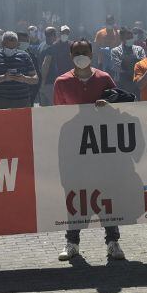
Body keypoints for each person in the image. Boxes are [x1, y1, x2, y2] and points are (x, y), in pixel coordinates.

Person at [53, 38, 127, 261]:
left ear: (92, 54)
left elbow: (120, 105)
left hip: (102, 149)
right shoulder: (61, 82)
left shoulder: (104, 78)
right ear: (70, 56)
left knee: (107, 195)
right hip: (74, 148)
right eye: (76, 52)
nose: (81, 55)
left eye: (84, 51)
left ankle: (113, 242)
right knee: (75, 196)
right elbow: (57, 116)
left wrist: (109, 105)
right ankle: (72, 242)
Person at [0, 31, 38, 109]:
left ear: (17, 44)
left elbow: (35, 79)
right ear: (3, 44)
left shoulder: (25, 56)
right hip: (0, 102)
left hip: (22, 102)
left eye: (14, 47)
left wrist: (24, 79)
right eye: (9, 47)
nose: (11, 50)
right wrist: (3, 78)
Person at [40, 26, 74, 107]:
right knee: (55, 105)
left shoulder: (73, 46)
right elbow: (46, 64)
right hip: (54, 81)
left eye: (67, 33)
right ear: (59, 33)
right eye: (63, 32)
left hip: (69, 81)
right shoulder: (53, 47)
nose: (65, 34)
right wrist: (43, 82)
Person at [109, 27, 145, 97]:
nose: (130, 40)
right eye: (128, 38)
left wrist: (127, 62)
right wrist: (134, 62)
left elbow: (143, 64)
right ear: (122, 38)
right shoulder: (115, 51)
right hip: (122, 83)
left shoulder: (139, 49)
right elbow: (118, 66)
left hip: (137, 82)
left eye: (131, 38)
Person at [17, 31, 45, 104]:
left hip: (28, 94)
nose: (25, 43)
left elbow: (38, 75)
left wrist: (33, 93)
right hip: (13, 95)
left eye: (26, 41)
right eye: (22, 41)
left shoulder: (32, 56)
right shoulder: (9, 55)